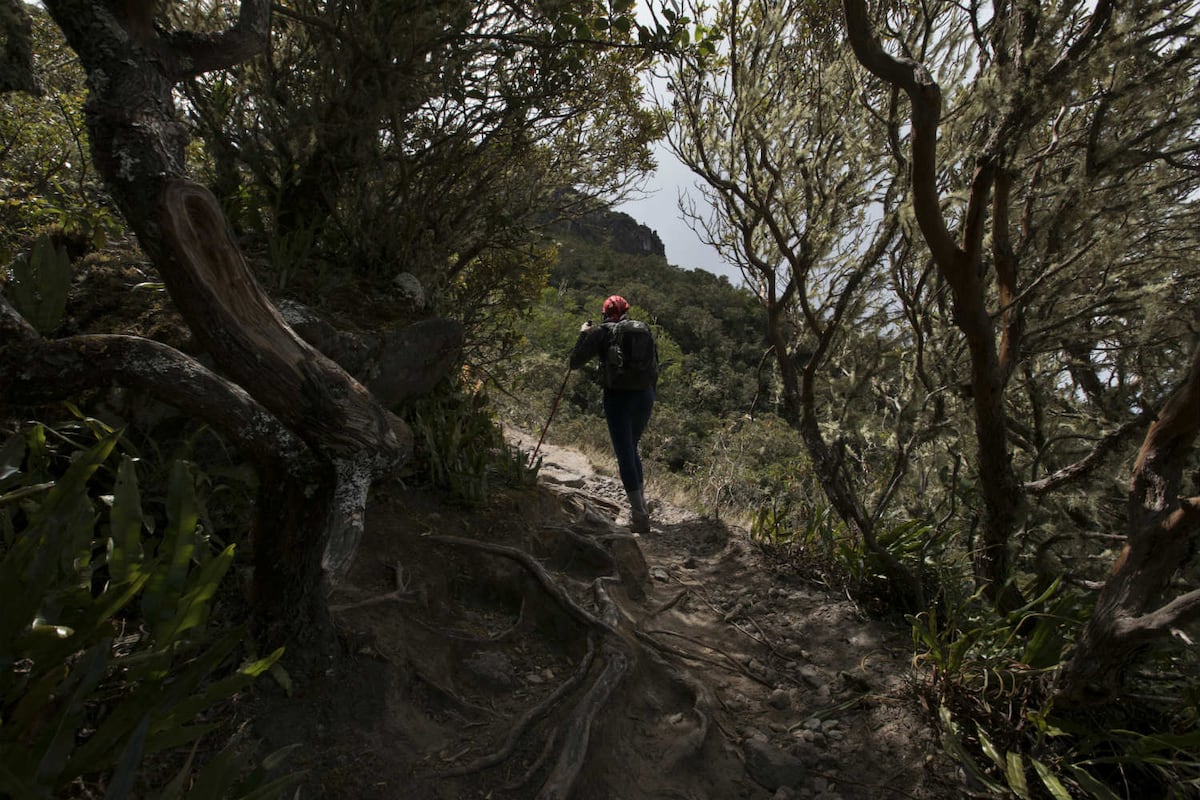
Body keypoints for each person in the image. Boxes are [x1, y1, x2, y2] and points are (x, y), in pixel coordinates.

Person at [569, 294, 658, 533]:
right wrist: (650, 394)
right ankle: (641, 508)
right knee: (632, 448)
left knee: (624, 453)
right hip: (645, 395)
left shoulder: (601, 332)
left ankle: (639, 517)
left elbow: (574, 362)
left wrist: (583, 334)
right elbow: (654, 366)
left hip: (618, 397)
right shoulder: (643, 329)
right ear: (627, 311)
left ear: (604, 313)